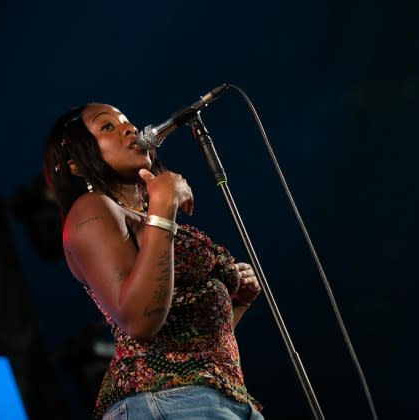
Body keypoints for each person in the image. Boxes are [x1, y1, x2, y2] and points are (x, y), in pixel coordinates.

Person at [42, 103, 264, 419]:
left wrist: (237, 303)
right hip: (164, 399)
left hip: (213, 396)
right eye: (107, 127)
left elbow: (186, 343)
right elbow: (139, 321)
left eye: (127, 121)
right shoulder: (91, 210)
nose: (130, 129)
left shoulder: (146, 219)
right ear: (76, 164)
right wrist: (163, 205)